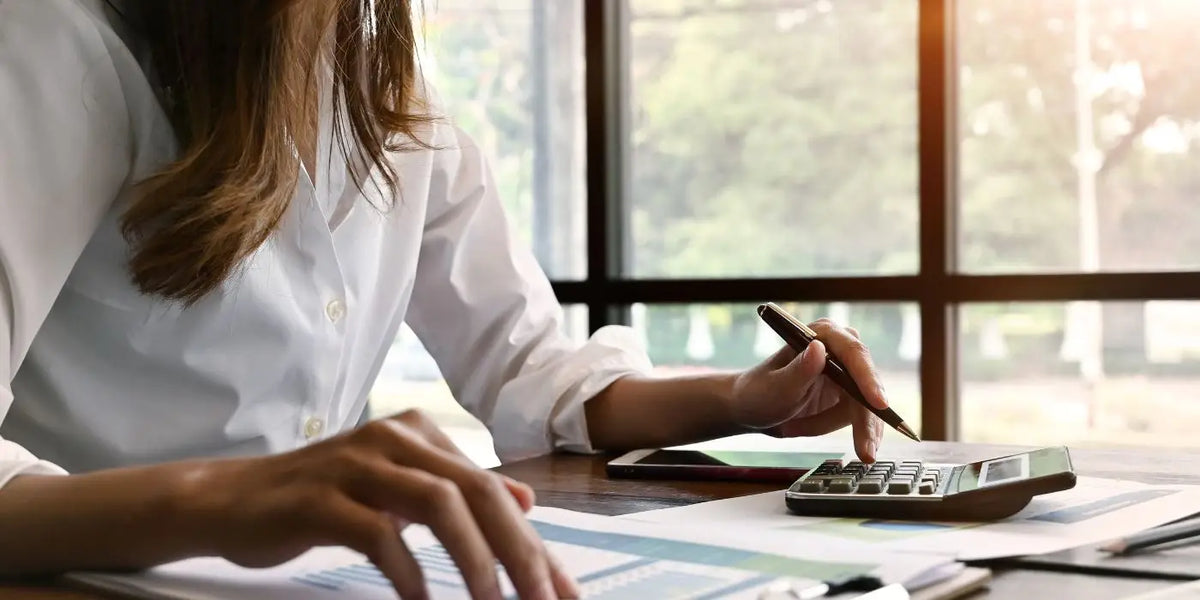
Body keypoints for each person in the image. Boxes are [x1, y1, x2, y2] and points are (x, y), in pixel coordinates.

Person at [0, 1, 888, 598]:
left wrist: (744, 398)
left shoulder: (387, 99)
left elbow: (532, 371)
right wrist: (231, 498)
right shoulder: (52, 44)